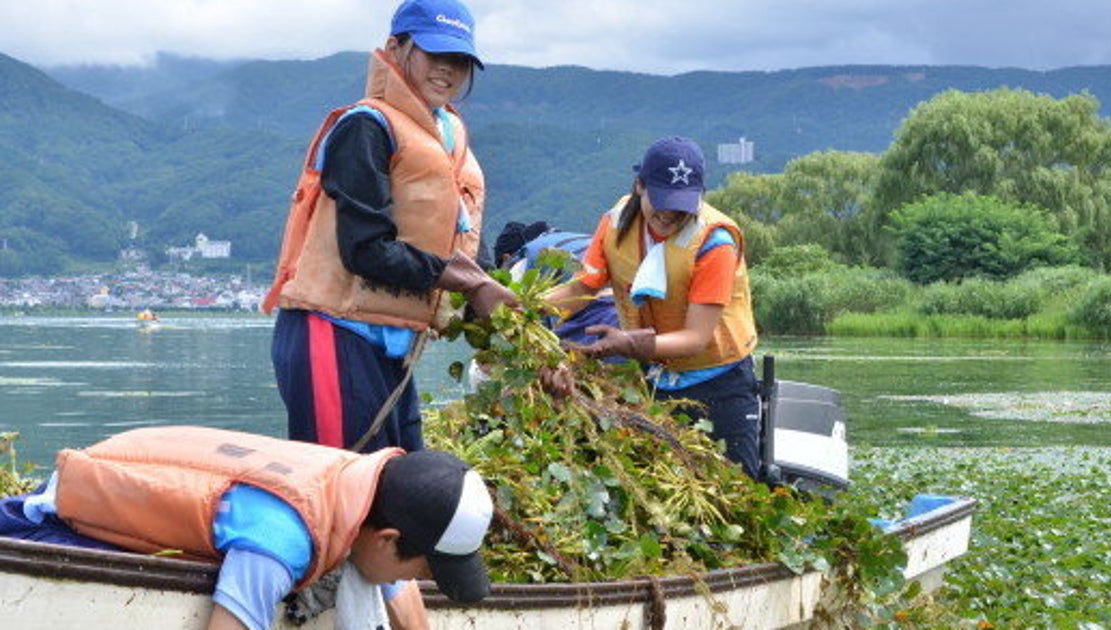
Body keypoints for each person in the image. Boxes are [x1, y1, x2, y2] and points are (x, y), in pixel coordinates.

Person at [262, 0, 516, 454]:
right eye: (435, 55)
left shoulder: (448, 136)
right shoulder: (366, 127)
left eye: (459, 61)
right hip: (334, 332)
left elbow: (456, 239)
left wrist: (497, 303)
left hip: (390, 344)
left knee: (401, 482)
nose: (448, 70)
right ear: (396, 48)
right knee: (345, 488)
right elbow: (364, 249)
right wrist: (468, 282)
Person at [0, 426, 494, 630]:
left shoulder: (364, 487)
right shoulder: (283, 539)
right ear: (388, 539)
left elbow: (396, 584)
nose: (413, 580)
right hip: (55, 524)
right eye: (427, 567)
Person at [545, 136, 762, 478]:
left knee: (734, 489)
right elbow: (585, 285)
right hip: (653, 380)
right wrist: (525, 309)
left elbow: (694, 338)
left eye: (682, 205)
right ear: (639, 186)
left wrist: (629, 344)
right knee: (655, 480)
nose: (669, 214)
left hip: (718, 381)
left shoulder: (714, 242)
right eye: (660, 200)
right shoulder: (616, 222)